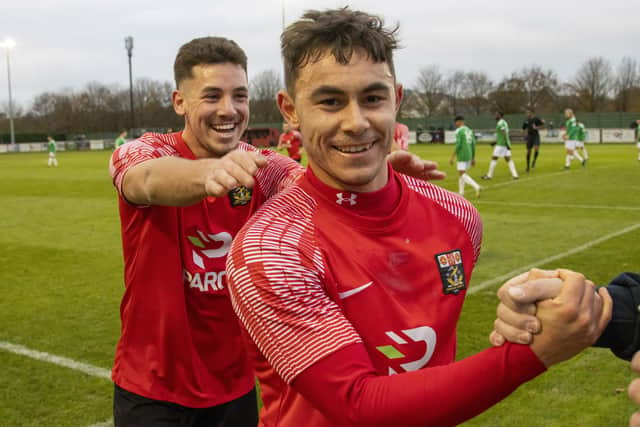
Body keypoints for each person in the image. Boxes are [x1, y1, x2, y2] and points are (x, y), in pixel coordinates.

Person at [226, 8, 610, 426]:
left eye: (373, 98)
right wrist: (531, 353)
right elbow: (357, 404)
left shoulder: (458, 216)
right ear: (290, 109)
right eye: (330, 101)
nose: (356, 123)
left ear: (398, 99)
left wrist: (524, 319)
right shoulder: (270, 251)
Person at [108, 35, 447, 427]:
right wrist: (210, 172)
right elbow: (145, 181)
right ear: (179, 102)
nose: (228, 110)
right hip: (151, 390)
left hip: (237, 388)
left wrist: (376, 181)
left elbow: (314, 186)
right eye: (212, 96)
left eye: (240, 96)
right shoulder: (145, 152)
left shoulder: (264, 167)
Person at [449, 115, 480, 197]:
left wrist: (452, 156)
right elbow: (473, 144)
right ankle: (461, 193)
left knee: (462, 173)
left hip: (462, 154)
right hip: (469, 154)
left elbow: (458, 144)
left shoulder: (459, 131)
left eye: (456, 122)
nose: (455, 124)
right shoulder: (469, 130)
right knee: (462, 174)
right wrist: (473, 157)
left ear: (459, 121)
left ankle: (476, 186)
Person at [482, 112, 519, 180]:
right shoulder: (504, 122)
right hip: (503, 143)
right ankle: (515, 175)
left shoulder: (500, 123)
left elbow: (504, 132)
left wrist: (505, 143)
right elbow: (502, 134)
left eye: (497, 115)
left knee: (494, 158)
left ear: (501, 116)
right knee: (508, 159)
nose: (495, 116)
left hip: (501, 144)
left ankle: (489, 176)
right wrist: (496, 142)